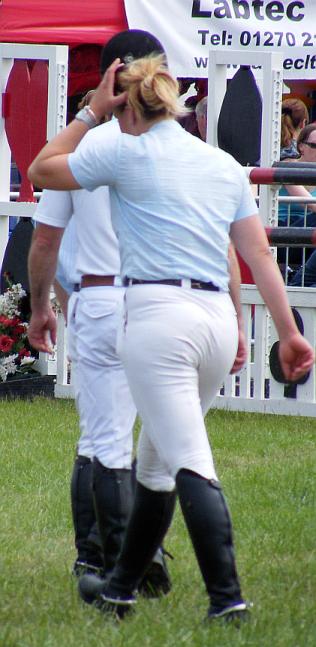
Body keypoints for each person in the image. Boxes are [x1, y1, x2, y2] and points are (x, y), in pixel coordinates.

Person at [28, 54, 314, 624]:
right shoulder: (220, 162)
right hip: (215, 314)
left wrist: (89, 113)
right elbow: (254, 254)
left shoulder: (123, 146)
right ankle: (119, 591)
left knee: (189, 461)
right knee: (155, 467)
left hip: (158, 317)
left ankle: (227, 600)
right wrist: (287, 331)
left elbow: (42, 169)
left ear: (128, 106)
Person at [27, 31, 175, 597]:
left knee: (101, 437)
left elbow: (44, 242)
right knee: (157, 437)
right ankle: (132, 553)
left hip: (101, 299)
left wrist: (41, 306)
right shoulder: (180, 146)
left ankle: (105, 561)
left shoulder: (83, 149)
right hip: (165, 299)